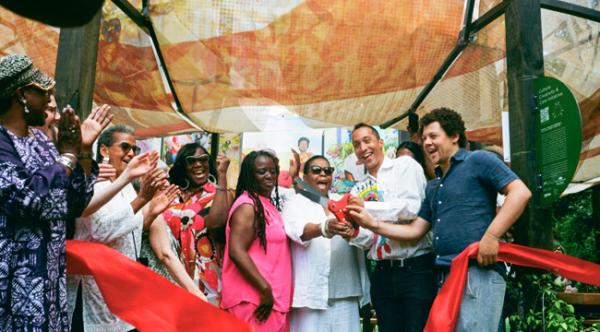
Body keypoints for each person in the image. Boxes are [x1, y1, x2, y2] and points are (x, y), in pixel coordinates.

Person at [347, 108, 532, 331]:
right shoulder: (434, 186)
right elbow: (416, 230)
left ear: (454, 136)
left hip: (477, 270)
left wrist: (492, 237)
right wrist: (371, 224)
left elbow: (520, 193)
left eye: (433, 136)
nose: (427, 143)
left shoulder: (478, 160)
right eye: (424, 138)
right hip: (444, 274)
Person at [0, 54, 110, 331]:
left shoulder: (41, 141)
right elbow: (29, 200)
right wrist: (67, 157)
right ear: (22, 95)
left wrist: (82, 150)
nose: (51, 100)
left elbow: (72, 205)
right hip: (11, 278)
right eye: (43, 92)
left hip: (48, 277)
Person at [68, 125, 170, 331]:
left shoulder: (126, 186)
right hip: (94, 290)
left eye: (135, 149)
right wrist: (142, 200)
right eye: (125, 147)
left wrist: (149, 211)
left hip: (124, 292)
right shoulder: (94, 183)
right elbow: (100, 231)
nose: (131, 153)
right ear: (105, 150)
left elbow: (128, 230)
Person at [339, 123, 433, 332]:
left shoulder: (405, 166)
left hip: (416, 270)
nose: (363, 148)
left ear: (380, 143)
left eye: (367, 141)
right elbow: (368, 239)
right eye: (356, 145)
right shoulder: (357, 189)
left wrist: (368, 208)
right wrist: (352, 233)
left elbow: (412, 209)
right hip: (382, 275)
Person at [282, 155, 370, 332]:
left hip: (346, 293)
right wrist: (324, 227)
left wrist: (353, 233)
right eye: (316, 170)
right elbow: (297, 231)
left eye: (327, 171)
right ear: (305, 177)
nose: (323, 174)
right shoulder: (294, 203)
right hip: (310, 298)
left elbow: (368, 234)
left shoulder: (345, 200)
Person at [221, 150, 292, 332]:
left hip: (272, 300)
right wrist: (265, 289)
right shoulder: (247, 205)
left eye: (273, 171)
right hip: (254, 300)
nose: (269, 175)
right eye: (262, 171)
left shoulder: (266, 204)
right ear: (249, 175)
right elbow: (236, 251)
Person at [156, 142, 232, 305]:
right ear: (183, 165)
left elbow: (217, 223)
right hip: (173, 279)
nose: (198, 164)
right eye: (192, 160)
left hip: (207, 283)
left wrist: (222, 176)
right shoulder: (171, 194)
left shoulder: (219, 193)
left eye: (203, 159)